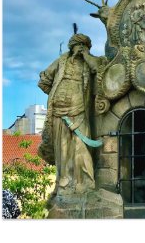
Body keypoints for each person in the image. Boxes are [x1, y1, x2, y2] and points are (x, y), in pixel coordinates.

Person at [38, 33, 103, 194]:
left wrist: (86, 55)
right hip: (59, 113)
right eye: (77, 45)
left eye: (83, 45)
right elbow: (44, 81)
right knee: (63, 149)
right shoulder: (61, 61)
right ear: (71, 46)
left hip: (79, 110)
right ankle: (64, 182)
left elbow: (98, 68)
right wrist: (55, 93)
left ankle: (85, 182)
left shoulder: (90, 62)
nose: (80, 48)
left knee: (81, 148)